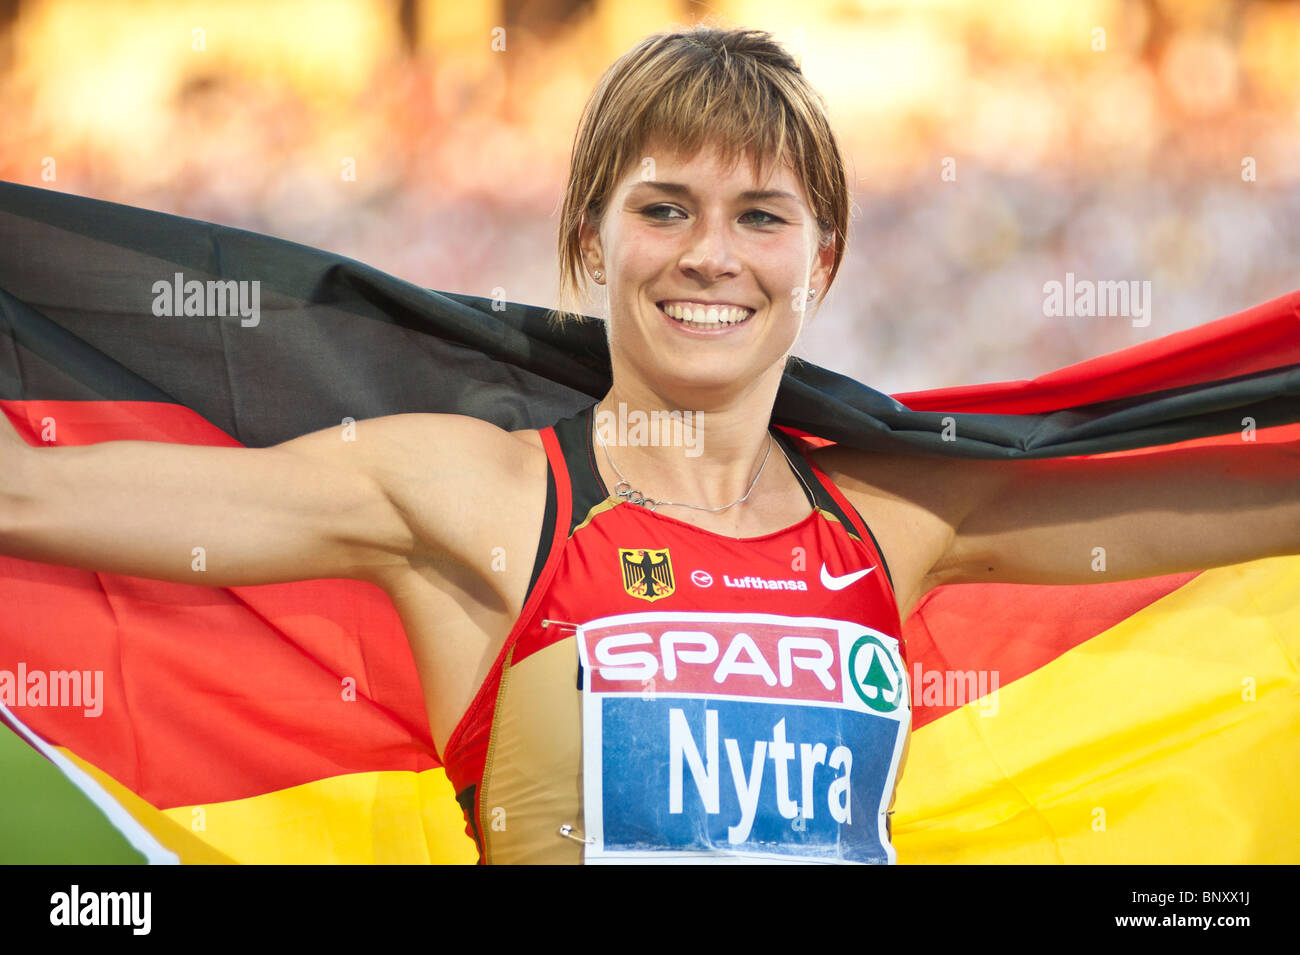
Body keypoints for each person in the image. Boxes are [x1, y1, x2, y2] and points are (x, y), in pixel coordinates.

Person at [0, 26, 1296, 864]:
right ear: (590, 241)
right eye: (663, 207)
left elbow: (1259, 502)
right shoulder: (476, 498)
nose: (711, 255)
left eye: (761, 215)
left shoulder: (896, 523)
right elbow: (36, 500)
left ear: (823, 258)